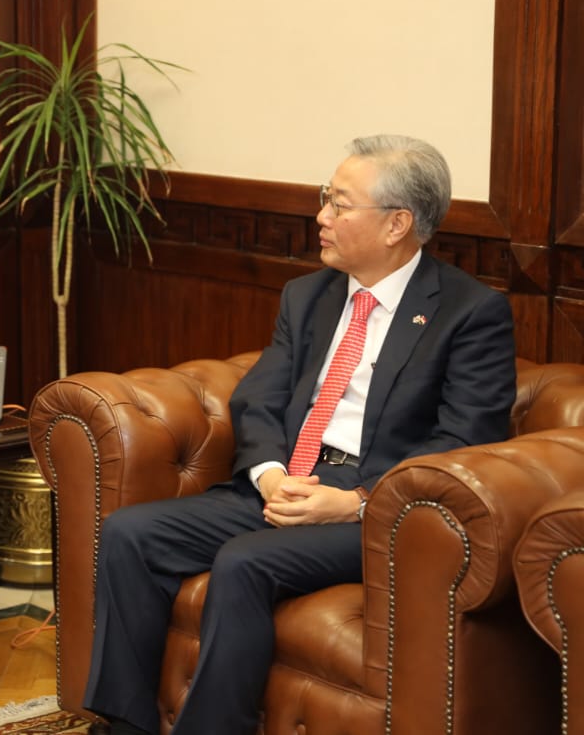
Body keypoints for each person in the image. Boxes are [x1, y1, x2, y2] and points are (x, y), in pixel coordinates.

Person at [84, 135, 517, 735]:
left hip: (378, 506)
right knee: (129, 533)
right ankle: (125, 725)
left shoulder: (469, 313)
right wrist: (270, 475)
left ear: (397, 224)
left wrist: (357, 499)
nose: (321, 216)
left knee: (244, 562)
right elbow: (258, 397)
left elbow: (465, 438)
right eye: (325, 198)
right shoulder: (308, 295)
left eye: (340, 204)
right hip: (288, 479)